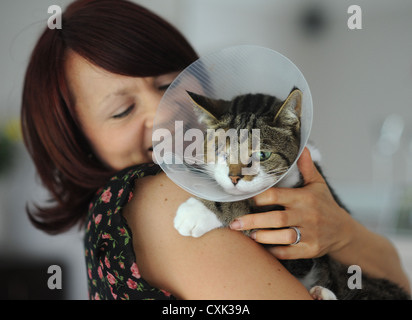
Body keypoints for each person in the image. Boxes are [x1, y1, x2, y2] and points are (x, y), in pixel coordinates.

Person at [21, 0, 410, 300]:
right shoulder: (157, 197)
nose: (161, 113)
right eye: (122, 110)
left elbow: (395, 276)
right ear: (76, 139)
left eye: (166, 85)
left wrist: (339, 232)